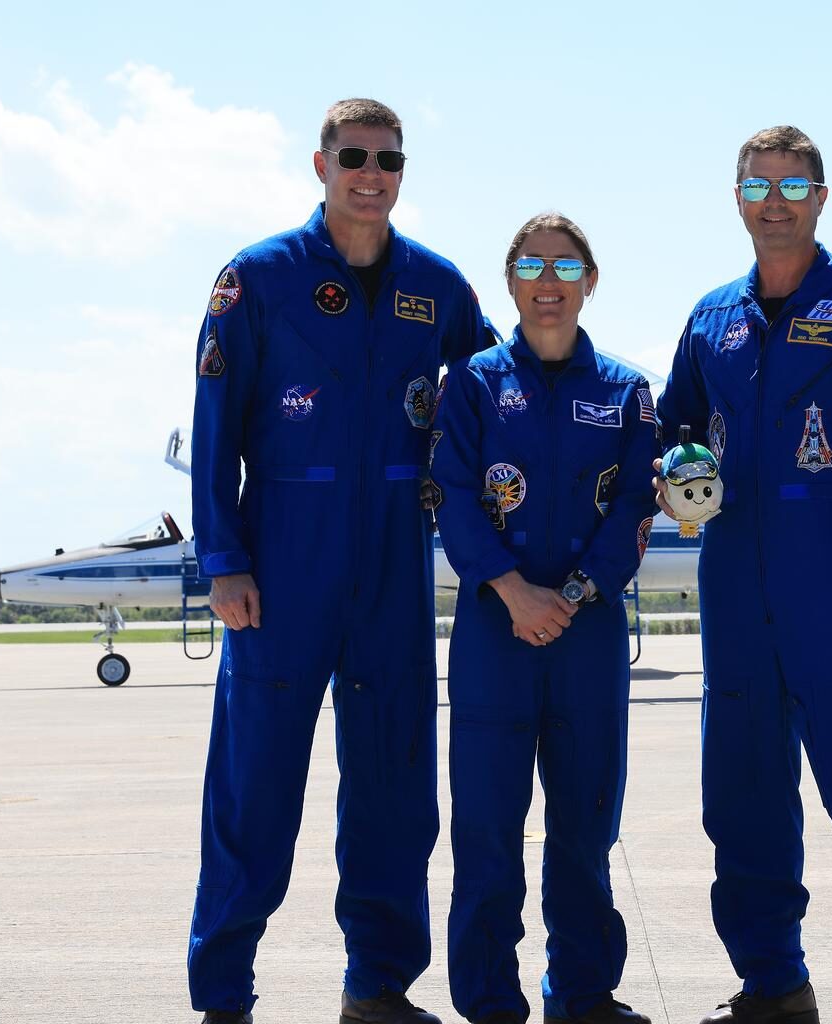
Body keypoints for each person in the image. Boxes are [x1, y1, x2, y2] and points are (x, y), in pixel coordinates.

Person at [187, 97, 497, 1024]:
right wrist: (223, 557)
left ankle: (379, 985)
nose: (373, 173)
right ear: (319, 165)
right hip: (283, 560)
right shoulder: (257, 278)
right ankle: (225, 994)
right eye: (355, 156)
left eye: (389, 160)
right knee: (255, 785)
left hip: (395, 560)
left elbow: (500, 394)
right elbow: (213, 430)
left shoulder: (436, 288)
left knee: (396, 782)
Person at [657, 125, 832, 1024]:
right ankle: (771, 983)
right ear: (735, 199)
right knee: (741, 806)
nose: (773, 202)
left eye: (791, 186)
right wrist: (673, 480)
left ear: (822, 197)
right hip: (736, 594)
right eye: (755, 188)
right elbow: (672, 430)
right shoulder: (711, 318)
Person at [431, 213, 660, 1024]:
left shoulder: (628, 391)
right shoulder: (473, 384)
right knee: (488, 828)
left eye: (566, 265)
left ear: (590, 281)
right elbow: (452, 497)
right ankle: (490, 999)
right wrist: (511, 591)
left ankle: (584, 993)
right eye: (532, 263)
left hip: (587, 631)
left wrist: (573, 595)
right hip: (496, 630)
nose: (549, 279)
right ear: (512, 282)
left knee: (586, 823)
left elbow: (636, 502)